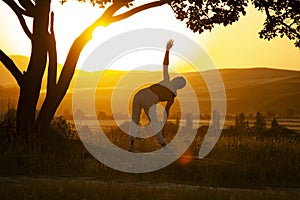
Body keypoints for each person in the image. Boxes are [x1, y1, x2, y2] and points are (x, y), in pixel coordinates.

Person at [128, 39, 186, 152]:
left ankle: (132, 146)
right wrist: (167, 51)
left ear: (178, 84)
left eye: (177, 79)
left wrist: (167, 50)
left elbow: (165, 65)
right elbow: (165, 65)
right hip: (146, 97)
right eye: (177, 77)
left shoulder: (169, 86)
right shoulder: (171, 93)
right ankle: (163, 147)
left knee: (135, 120)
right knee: (153, 123)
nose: (175, 78)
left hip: (140, 94)